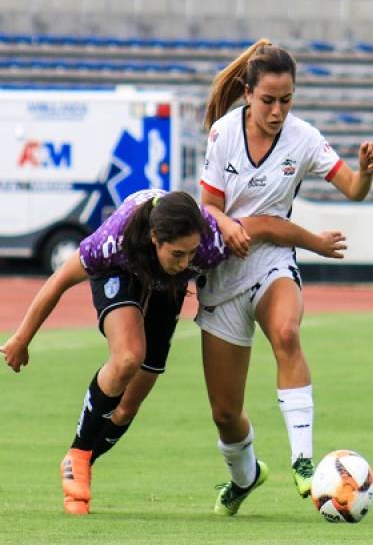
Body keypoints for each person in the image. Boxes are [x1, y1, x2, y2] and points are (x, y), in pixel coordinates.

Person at [1, 187, 347, 516]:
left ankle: (82, 460)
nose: (186, 263)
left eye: (192, 254)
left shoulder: (209, 240)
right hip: (120, 273)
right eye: (178, 254)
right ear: (156, 239)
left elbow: (269, 225)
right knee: (127, 358)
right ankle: (77, 456)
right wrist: (22, 339)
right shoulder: (114, 242)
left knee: (127, 406)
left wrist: (316, 243)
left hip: (166, 287)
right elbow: (59, 280)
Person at [197, 38, 373, 516]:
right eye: (268, 100)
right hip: (223, 275)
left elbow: (353, 190)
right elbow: (209, 207)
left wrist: (364, 173)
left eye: (286, 100)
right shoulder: (222, 134)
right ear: (247, 93)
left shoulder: (303, 138)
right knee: (224, 413)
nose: (277, 111)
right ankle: (245, 477)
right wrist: (228, 225)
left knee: (286, 332)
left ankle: (304, 462)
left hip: (273, 261)